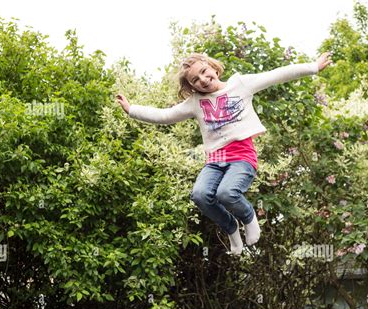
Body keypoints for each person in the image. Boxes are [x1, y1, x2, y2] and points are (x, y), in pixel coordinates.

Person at [116, 51, 332, 256]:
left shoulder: (240, 85)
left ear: (213, 67)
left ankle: (249, 218)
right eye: (194, 80)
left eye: (203, 71)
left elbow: (276, 75)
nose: (202, 79)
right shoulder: (195, 103)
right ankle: (231, 229)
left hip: (242, 157)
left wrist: (313, 67)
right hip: (215, 161)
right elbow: (165, 115)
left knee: (226, 193)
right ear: (191, 86)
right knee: (200, 195)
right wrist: (132, 109)